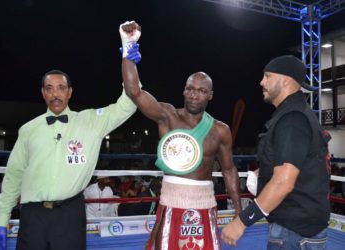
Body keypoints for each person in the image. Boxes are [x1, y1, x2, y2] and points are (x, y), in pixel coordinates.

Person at [120, 21, 241, 250]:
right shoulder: (168, 116)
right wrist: (128, 46)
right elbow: (133, 91)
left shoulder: (219, 130)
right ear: (184, 90)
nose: (195, 95)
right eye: (191, 89)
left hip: (205, 204)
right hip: (171, 202)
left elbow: (228, 170)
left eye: (202, 90)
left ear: (210, 95)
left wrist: (239, 212)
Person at [0, 68, 140, 250]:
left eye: (61, 88)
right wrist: (2, 219)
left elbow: (127, 105)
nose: (55, 94)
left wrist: (130, 65)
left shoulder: (90, 122)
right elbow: (14, 176)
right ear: (43, 93)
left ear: (69, 92)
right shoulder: (28, 130)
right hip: (33, 217)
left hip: (69, 215)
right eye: (49, 88)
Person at [221, 55, 331, 249]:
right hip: (299, 227)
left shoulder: (292, 119)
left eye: (267, 76)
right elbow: (300, 166)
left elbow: (283, 182)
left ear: (286, 79)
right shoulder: (297, 114)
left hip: (294, 230)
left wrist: (241, 221)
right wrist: (265, 174)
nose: (261, 82)